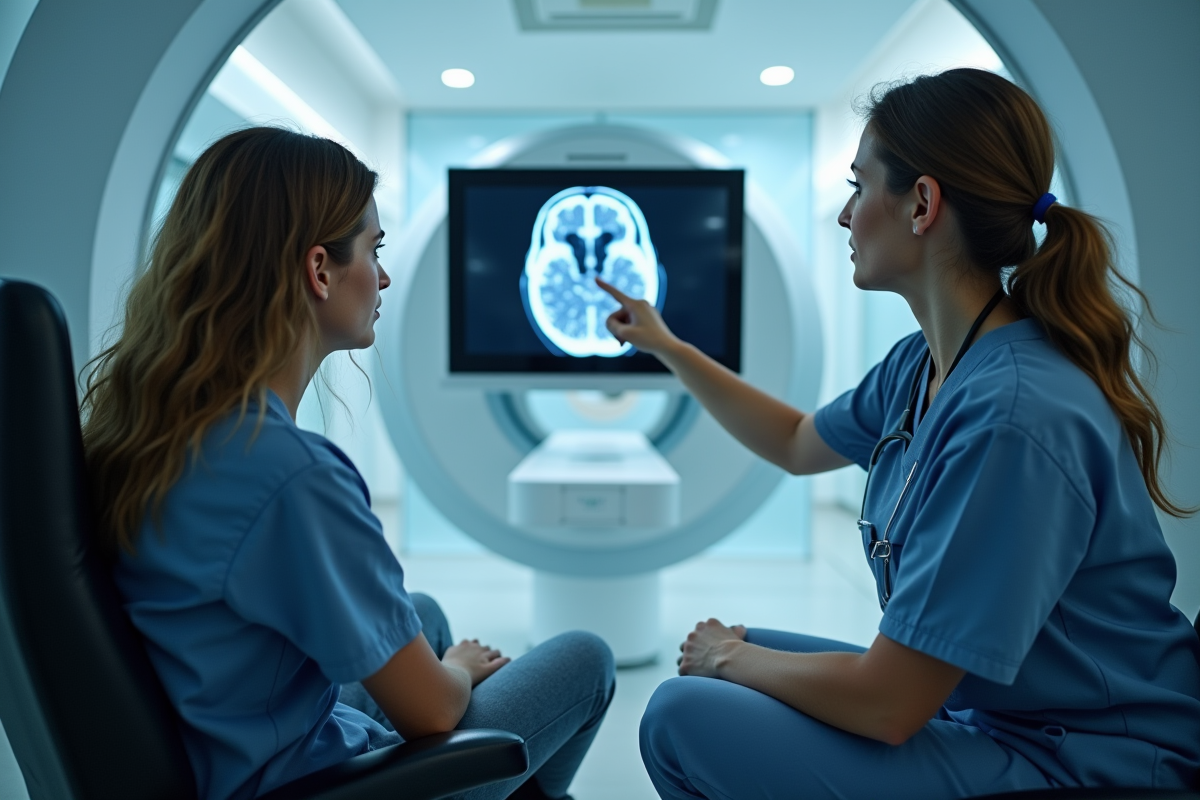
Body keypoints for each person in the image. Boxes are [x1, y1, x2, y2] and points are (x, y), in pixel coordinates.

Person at [598, 68, 1200, 799]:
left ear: (921, 204)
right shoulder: (925, 366)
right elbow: (794, 443)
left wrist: (726, 660)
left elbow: (890, 705)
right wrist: (667, 345)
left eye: (858, 186)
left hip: (1084, 760)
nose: (846, 216)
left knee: (681, 713)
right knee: (747, 656)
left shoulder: (1014, 416)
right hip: (995, 712)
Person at [81, 127, 613, 800]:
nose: (384, 276)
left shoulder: (160, 431)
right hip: (303, 785)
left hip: (229, 741)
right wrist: (453, 669)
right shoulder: (289, 474)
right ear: (319, 270)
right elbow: (436, 711)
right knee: (584, 658)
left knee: (419, 609)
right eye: (374, 249)